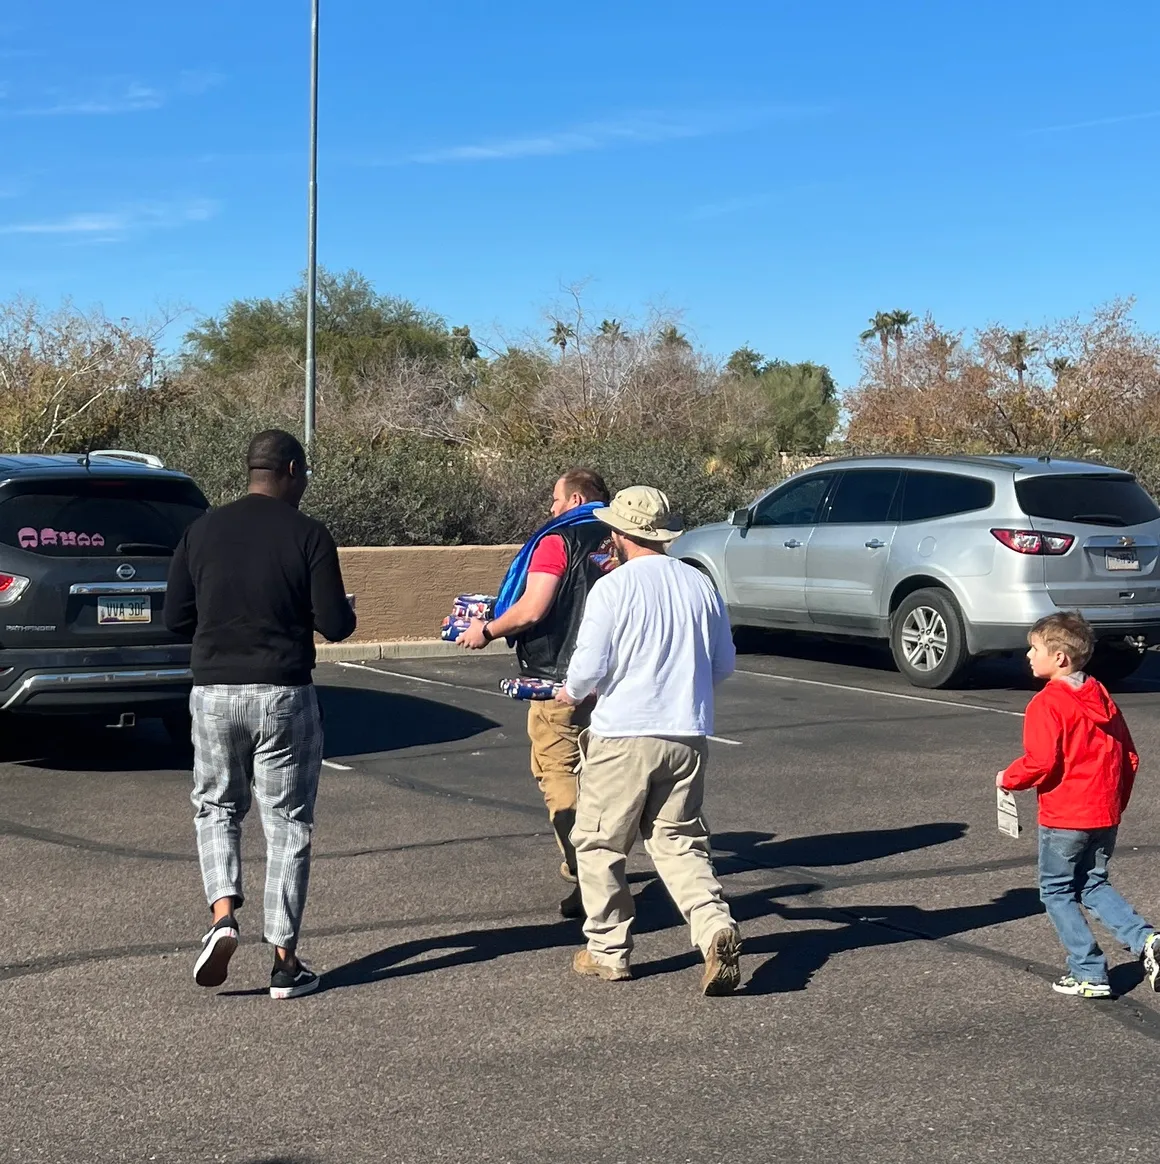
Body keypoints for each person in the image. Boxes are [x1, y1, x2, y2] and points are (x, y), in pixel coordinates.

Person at [164, 429, 357, 1000]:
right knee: (287, 822)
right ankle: (284, 963)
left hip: (214, 691)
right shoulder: (309, 534)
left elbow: (175, 618)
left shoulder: (201, 531)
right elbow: (335, 624)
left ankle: (223, 917)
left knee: (217, 807)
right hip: (283, 692)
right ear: (292, 471)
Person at [556, 485, 741, 995]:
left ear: (619, 534)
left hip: (623, 734)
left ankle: (607, 950)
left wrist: (570, 694)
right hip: (686, 733)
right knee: (679, 841)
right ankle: (714, 927)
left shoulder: (612, 588)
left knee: (599, 843)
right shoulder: (699, 583)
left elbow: (588, 667)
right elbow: (723, 663)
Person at [459, 468, 612, 919]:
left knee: (557, 772)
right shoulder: (622, 538)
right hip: (614, 679)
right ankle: (600, 862)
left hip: (557, 677)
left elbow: (532, 608)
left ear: (576, 499)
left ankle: (589, 875)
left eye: (556, 499)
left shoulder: (557, 539)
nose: (551, 508)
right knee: (601, 776)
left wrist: (487, 629)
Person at [998, 612, 1160, 999]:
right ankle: (1147, 940)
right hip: (1103, 812)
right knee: (1093, 882)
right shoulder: (1100, 694)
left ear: (1059, 658)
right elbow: (1130, 756)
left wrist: (1008, 778)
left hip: (1065, 815)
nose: (1028, 655)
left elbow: (1040, 762)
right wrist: (1114, 803)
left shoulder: (1047, 703)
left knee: (1056, 891)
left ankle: (1089, 971)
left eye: (1035, 648)